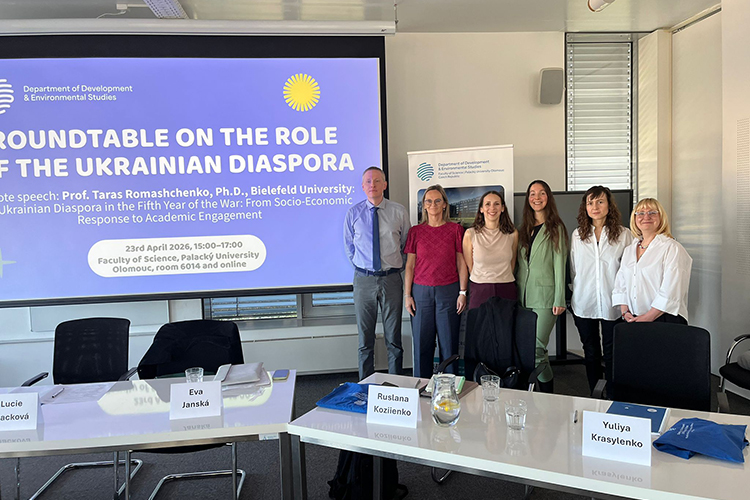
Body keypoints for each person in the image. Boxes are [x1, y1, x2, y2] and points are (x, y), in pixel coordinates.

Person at [344, 166, 411, 381]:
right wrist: (364, 267)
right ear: (362, 186)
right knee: (365, 341)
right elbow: (349, 247)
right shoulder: (353, 213)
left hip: (391, 279)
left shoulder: (398, 211)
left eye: (377, 180)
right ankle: (365, 386)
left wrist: (394, 266)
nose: (372, 184)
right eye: (368, 181)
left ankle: (396, 385)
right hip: (363, 280)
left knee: (394, 339)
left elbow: (406, 245)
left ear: (385, 185)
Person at [570, 186, 633, 394]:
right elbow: (574, 268)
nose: (595, 207)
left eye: (600, 201)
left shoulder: (624, 235)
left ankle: (614, 394)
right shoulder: (578, 235)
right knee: (590, 351)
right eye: (590, 202)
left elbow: (630, 270)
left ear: (609, 205)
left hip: (613, 303)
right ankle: (595, 393)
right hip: (584, 301)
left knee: (612, 352)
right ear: (585, 207)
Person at [404, 185, 468, 378]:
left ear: (444, 204)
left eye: (437, 201)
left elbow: (461, 263)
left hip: (448, 292)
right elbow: (410, 266)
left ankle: (450, 389)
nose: (433, 204)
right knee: (421, 344)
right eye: (429, 201)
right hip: (420, 293)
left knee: (448, 345)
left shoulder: (455, 230)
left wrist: (463, 292)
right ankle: (421, 386)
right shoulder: (415, 232)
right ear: (424, 205)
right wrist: (407, 295)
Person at [516, 180, 567, 393]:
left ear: (548, 197)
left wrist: (560, 298)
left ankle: (547, 393)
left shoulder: (556, 228)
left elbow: (560, 263)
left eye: (542, 193)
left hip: (546, 297)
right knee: (529, 350)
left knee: (536, 349)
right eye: (532, 193)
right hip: (523, 296)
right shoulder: (523, 229)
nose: (536, 197)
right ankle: (539, 394)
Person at [613, 198, 692, 324]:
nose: (646, 217)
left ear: (661, 218)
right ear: (634, 218)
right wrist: (625, 312)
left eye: (652, 212)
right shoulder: (629, 250)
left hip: (665, 318)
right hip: (634, 318)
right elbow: (621, 284)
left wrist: (649, 317)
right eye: (641, 213)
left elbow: (672, 289)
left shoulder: (672, 247)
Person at [462, 190, 518, 310]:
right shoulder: (470, 234)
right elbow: (470, 266)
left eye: (496, 204)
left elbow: (512, 263)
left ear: (502, 208)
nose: (492, 208)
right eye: (487, 204)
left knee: (506, 322)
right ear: (481, 209)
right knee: (479, 322)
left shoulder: (512, 234)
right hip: (479, 289)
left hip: (506, 288)